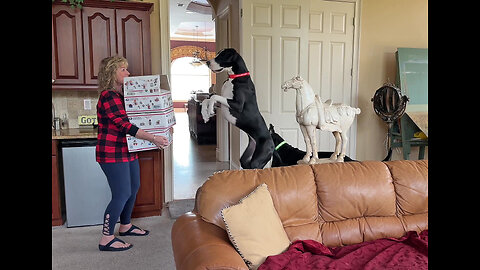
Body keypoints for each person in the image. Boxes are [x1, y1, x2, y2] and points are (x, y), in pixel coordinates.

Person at [96, 55, 171, 251]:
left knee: (133, 187)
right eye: (123, 70)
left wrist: (164, 126)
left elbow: (145, 117)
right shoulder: (108, 97)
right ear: (112, 73)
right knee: (120, 194)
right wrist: (153, 138)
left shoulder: (124, 97)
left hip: (127, 149)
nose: (128, 73)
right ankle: (106, 238)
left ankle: (126, 225)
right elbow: (125, 125)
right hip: (111, 153)